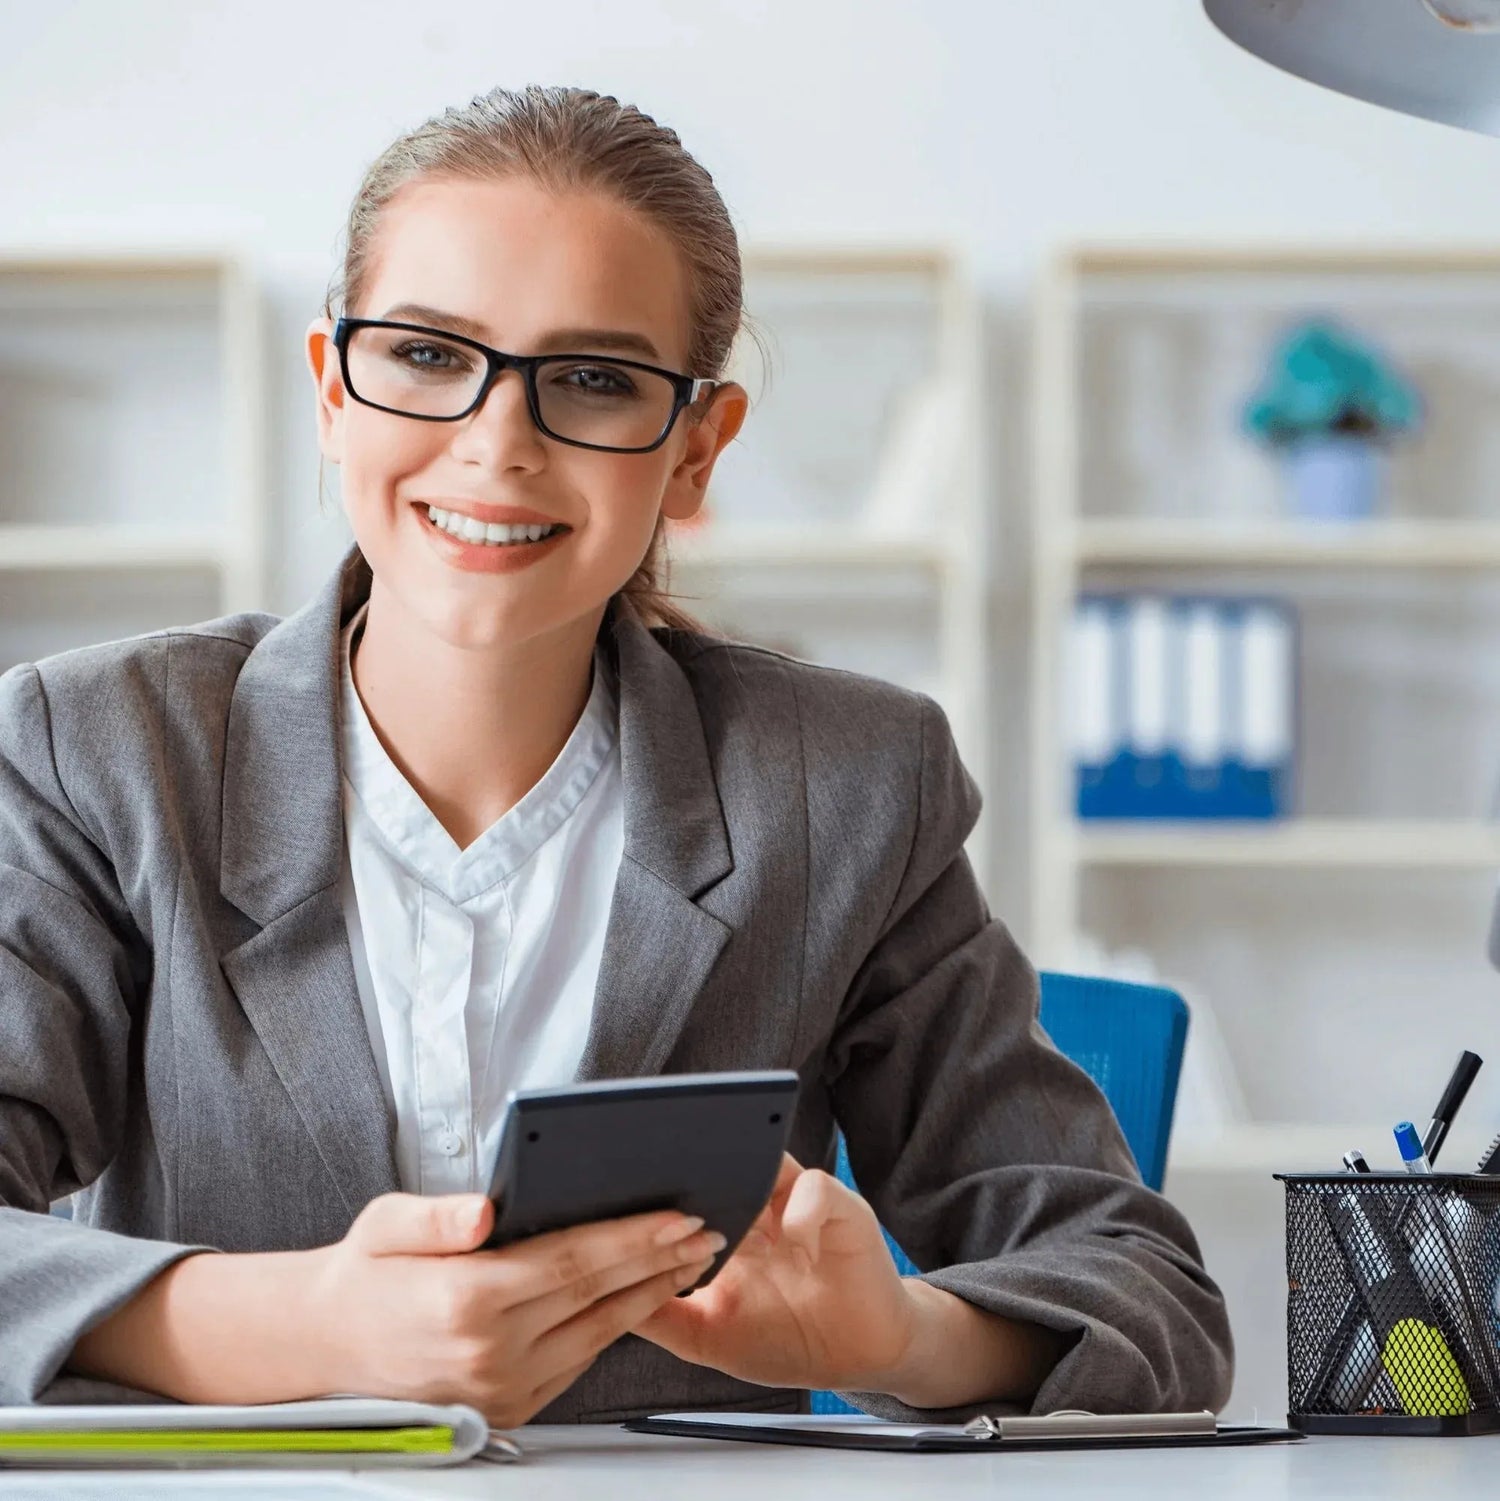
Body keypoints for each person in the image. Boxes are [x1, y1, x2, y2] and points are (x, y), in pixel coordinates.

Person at [0, 84, 1233, 1428]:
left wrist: (895, 1333)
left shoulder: (852, 784)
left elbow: (1147, 1298)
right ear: (331, 390)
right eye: (424, 354)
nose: (497, 442)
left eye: (592, 380)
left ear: (697, 449)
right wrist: (301, 1322)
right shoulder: (98, 751)